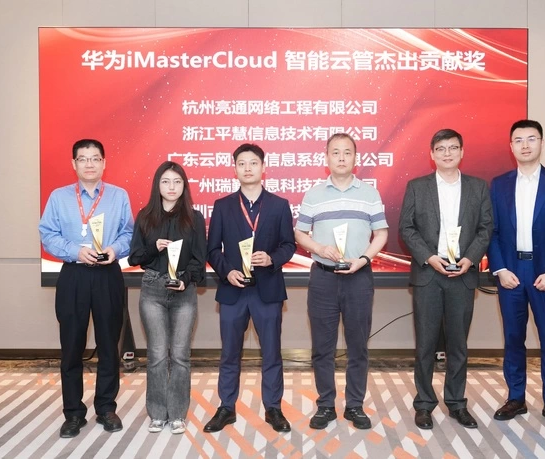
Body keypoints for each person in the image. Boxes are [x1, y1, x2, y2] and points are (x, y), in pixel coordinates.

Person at [39, 139, 134, 438]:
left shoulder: (118, 195)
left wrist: (115, 249)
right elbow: (47, 234)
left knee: (108, 346)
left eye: (95, 158)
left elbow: (129, 233)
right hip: (74, 275)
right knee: (71, 347)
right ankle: (73, 413)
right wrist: (75, 251)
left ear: (104, 163)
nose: (89, 164)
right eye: (83, 159)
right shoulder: (59, 197)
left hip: (108, 275)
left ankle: (106, 408)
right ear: (74, 164)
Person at [399, 129, 493, 430]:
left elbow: (486, 228)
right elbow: (406, 228)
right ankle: (424, 404)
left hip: (463, 274)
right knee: (425, 345)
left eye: (453, 148)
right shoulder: (417, 187)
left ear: (462, 152)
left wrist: (471, 258)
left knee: (458, 345)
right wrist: (429, 257)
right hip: (429, 273)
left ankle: (456, 403)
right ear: (432, 154)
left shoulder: (478, 187)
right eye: (441, 149)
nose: (447, 153)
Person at [294, 133, 388, 430]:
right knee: (322, 347)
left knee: (358, 346)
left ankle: (355, 405)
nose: (342, 157)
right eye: (336, 152)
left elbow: (381, 233)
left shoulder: (369, 193)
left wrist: (364, 259)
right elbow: (300, 233)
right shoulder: (314, 194)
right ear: (326, 158)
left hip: (359, 277)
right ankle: (325, 405)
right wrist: (320, 248)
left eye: (347, 152)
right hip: (323, 278)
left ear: (356, 158)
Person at [488, 120, 545, 429]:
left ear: (541, 143)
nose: (525, 145)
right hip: (511, 273)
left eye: (531, 139)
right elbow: (492, 232)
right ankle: (516, 397)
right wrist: (500, 269)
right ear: (510, 146)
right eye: (518, 140)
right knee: (514, 338)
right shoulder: (499, 184)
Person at [204, 143, 296, 433]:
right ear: (234, 169)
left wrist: (272, 259)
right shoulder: (223, 205)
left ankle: (273, 408)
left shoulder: (279, 205)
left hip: (267, 289)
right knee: (229, 353)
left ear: (263, 168)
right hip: (233, 290)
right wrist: (227, 271)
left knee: (272, 353)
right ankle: (226, 407)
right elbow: (212, 249)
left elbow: (289, 245)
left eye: (253, 163)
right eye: (241, 163)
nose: (247, 168)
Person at [128, 161, 206, 435]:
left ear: (184, 186)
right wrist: (154, 247)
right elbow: (134, 257)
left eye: (177, 182)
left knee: (181, 355)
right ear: (157, 185)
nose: (171, 187)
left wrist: (186, 280)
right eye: (165, 181)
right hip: (152, 289)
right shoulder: (145, 216)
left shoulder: (194, 218)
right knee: (157, 355)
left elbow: (199, 260)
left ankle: (178, 414)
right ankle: (157, 413)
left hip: (184, 290)